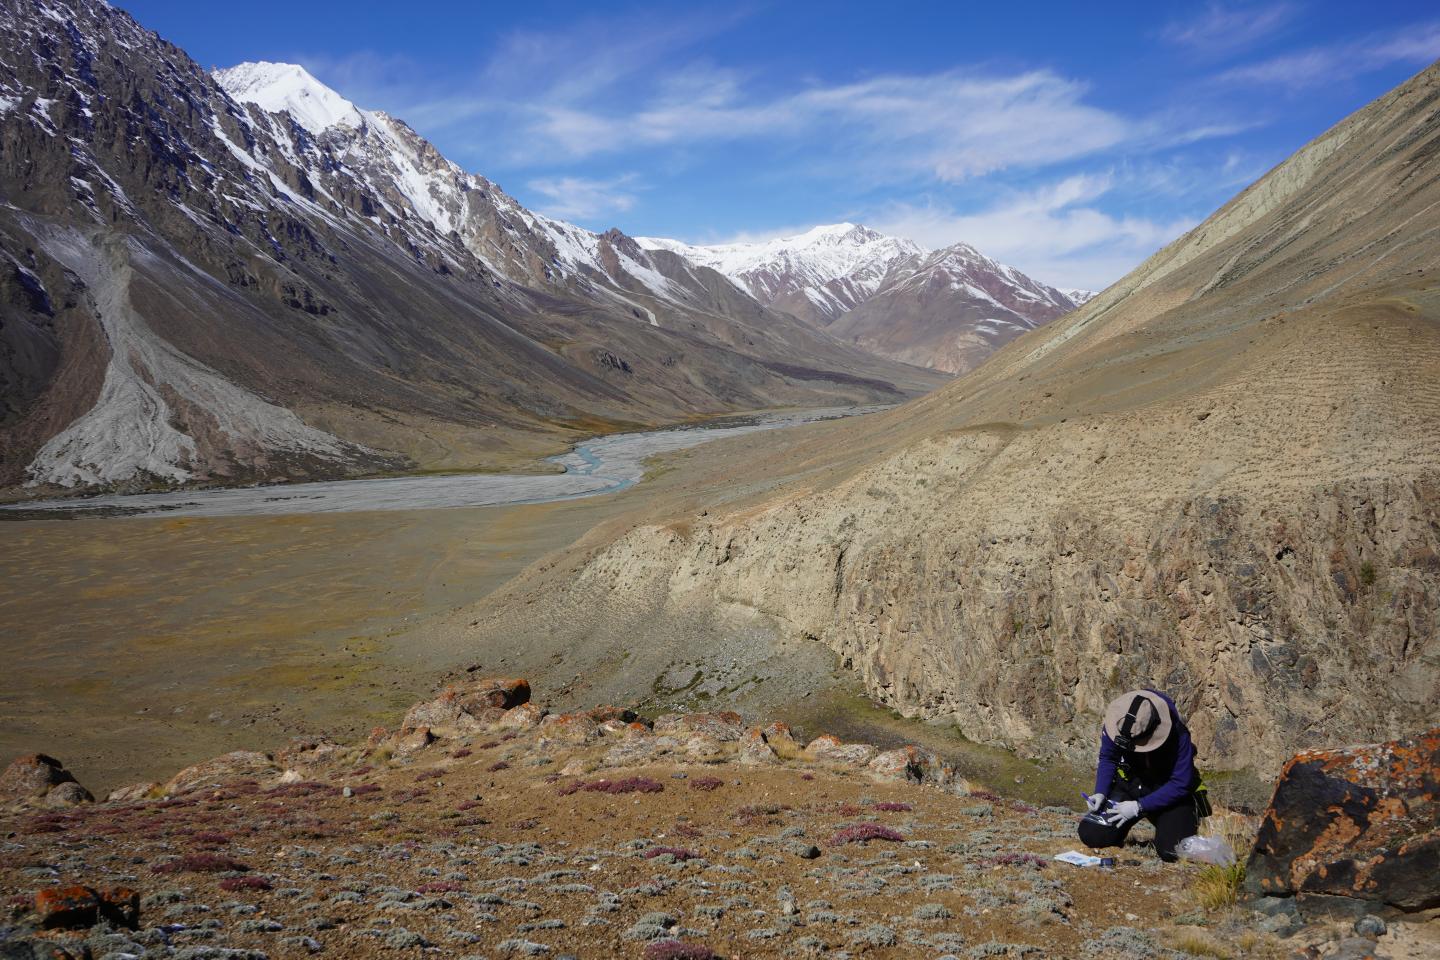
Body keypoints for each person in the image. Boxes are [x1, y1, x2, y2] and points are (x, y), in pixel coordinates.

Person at [1077, 688, 1208, 862]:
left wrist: (1140, 806)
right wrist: (1100, 792)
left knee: (1172, 850)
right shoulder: (1118, 723)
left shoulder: (1178, 734)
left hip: (1167, 791)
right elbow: (1108, 758)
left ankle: (1173, 820)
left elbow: (1181, 782)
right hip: (1130, 784)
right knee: (1091, 835)